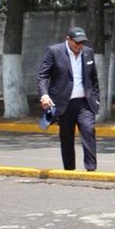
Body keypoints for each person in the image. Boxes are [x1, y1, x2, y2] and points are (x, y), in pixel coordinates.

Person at [36, 26, 100, 172]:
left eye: (82, 43)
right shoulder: (54, 52)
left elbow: (94, 79)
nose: (79, 46)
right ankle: (69, 170)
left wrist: (96, 99)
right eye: (76, 43)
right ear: (68, 39)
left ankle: (91, 170)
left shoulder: (88, 52)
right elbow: (43, 76)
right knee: (66, 138)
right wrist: (44, 95)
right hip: (63, 103)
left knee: (89, 131)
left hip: (85, 103)